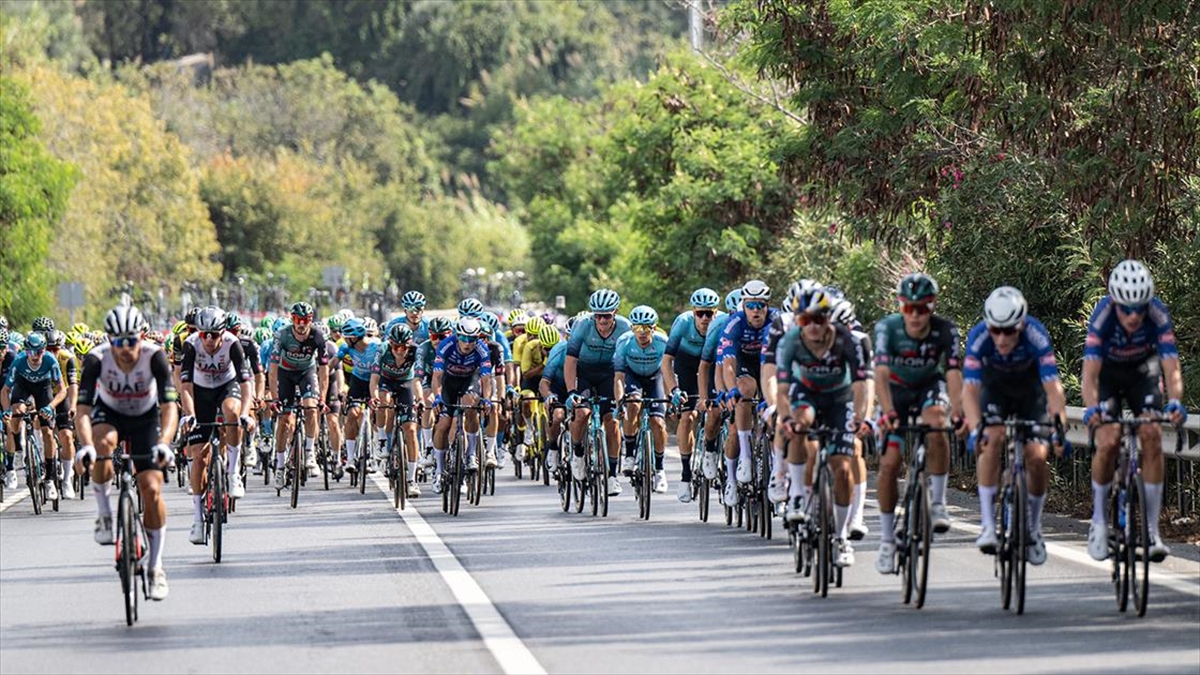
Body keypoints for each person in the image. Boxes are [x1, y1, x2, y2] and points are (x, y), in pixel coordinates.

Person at [1083, 260, 1185, 562]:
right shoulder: (1102, 315)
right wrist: (1091, 410)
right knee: (1109, 439)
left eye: (1139, 308)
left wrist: (1176, 401)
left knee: (1152, 434)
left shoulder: (1157, 313)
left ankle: (1152, 531)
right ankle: (1099, 521)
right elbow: (1089, 375)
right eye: (1126, 308)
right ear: (1115, 301)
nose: (1133, 315)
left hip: (1143, 372)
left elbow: (1171, 366)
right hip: (1109, 376)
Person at [74, 306, 179, 600]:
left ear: (140, 338)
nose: (126, 348)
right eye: (119, 342)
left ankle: (156, 567)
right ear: (110, 340)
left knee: (152, 489)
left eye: (131, 340)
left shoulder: (154, 355)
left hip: (145, 418)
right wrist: (85, 446)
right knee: (102, 445)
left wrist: (164, 443)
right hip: (109, 413)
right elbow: (82, 410)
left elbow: (170, 405)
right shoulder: (97, 359)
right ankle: (105, 516)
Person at [962, 286, 1067, 566]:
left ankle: (1033, 529)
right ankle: (987, 526)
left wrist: (1058, 426)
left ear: (1020, 324)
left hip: (1030, 392)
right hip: (994, 390)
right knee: (991, 440)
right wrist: (975, 430)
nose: (1002, 337)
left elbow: (1054, 389)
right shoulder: (979, 336)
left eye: (1009, 331)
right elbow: (969, 392)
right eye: (996, 330)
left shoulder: (1036, 334)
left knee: (1037, 456)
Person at [873, 273, 963, 575]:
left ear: (932, 307)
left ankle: (938, 503)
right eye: (907, 308)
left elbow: (952, 374)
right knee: (889, 463)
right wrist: (886, 412)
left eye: (921, 309)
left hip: (928, 386)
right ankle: (887, 539)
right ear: (900, 307)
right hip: (895, 392)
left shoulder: (946, 330)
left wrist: (959, 412)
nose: (914, 315)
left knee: (938, 424)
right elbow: (881, 375)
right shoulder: (888, 328)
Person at [178, 307, 256, 544]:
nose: (209, 340)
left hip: (226, 385)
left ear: (223, 332)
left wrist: (245, 414)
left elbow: (246, 383)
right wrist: (189, 414)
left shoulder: (233, 344)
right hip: (200, 392)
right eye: (204, 335)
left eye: (214, 335)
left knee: (232, 413)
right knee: (198, 457)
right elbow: (186, 386)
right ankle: (198, 520)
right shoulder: (191, 345)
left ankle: (232, 474)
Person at [565, 289, 632, 497]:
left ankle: (612, 475)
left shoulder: (625, 327)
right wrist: (571, 392)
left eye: (607, 315)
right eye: (598, 316)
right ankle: (577, 453)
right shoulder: (583, 325)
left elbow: (628, 362)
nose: (602, 320)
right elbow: (570, 362)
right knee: (582, 413)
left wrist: (625, 395)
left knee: (611, 421)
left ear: (615, 313)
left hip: (609, 374)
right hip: (584, 372)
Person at [663, 287, 724, 503]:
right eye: (700, 313)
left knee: (717, 410)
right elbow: (666, 361)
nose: (705, 318)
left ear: (716, 313)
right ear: (694, 312)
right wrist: (674, 390)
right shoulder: (682, 323)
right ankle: (686, 474)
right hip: (687, 364)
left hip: (713, 365)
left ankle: (712, 449)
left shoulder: (723, 322)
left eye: (710, 313)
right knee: (688, 417)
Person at [429, 317, 494, 493]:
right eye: (463, 338)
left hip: (469, 381)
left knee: (470, 407)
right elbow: (436, 377)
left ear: (477, 338)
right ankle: (439, 470)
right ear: (457, 335)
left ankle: (471, 454)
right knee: (443, 424)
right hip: (448, 383)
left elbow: (486, 379)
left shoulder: (482, 349)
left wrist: (487, 398)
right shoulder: (446, 345)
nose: (467, 343)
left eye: (472, 339)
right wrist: (437, 397)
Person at [2, 331, 66, 501]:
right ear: (26, 351)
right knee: (16, 415)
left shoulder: (50, 361)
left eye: (38, 352)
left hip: (43, 389)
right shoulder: (18, 362)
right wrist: (7, 410)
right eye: (31, 352)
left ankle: (50, 478)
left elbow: (62, 390)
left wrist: (51, 407)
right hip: (23, 386)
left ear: (44, 351)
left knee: (47, 433)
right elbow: (5, 390)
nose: (35, 356)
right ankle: (17, 452)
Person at [614, 305, 670, 494]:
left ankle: (660, 469)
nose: (642, 333)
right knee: (633, 404)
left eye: (646, 328)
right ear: (632, 329)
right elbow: (619, 377)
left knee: (658, 422)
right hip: (633, 376)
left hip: (656, 378)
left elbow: (669, 372)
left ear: (654, 328)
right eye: (637, 328)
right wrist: (619, 401)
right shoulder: (624, 342)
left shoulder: (663, 342)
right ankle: (629, 454)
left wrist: (672, 396)